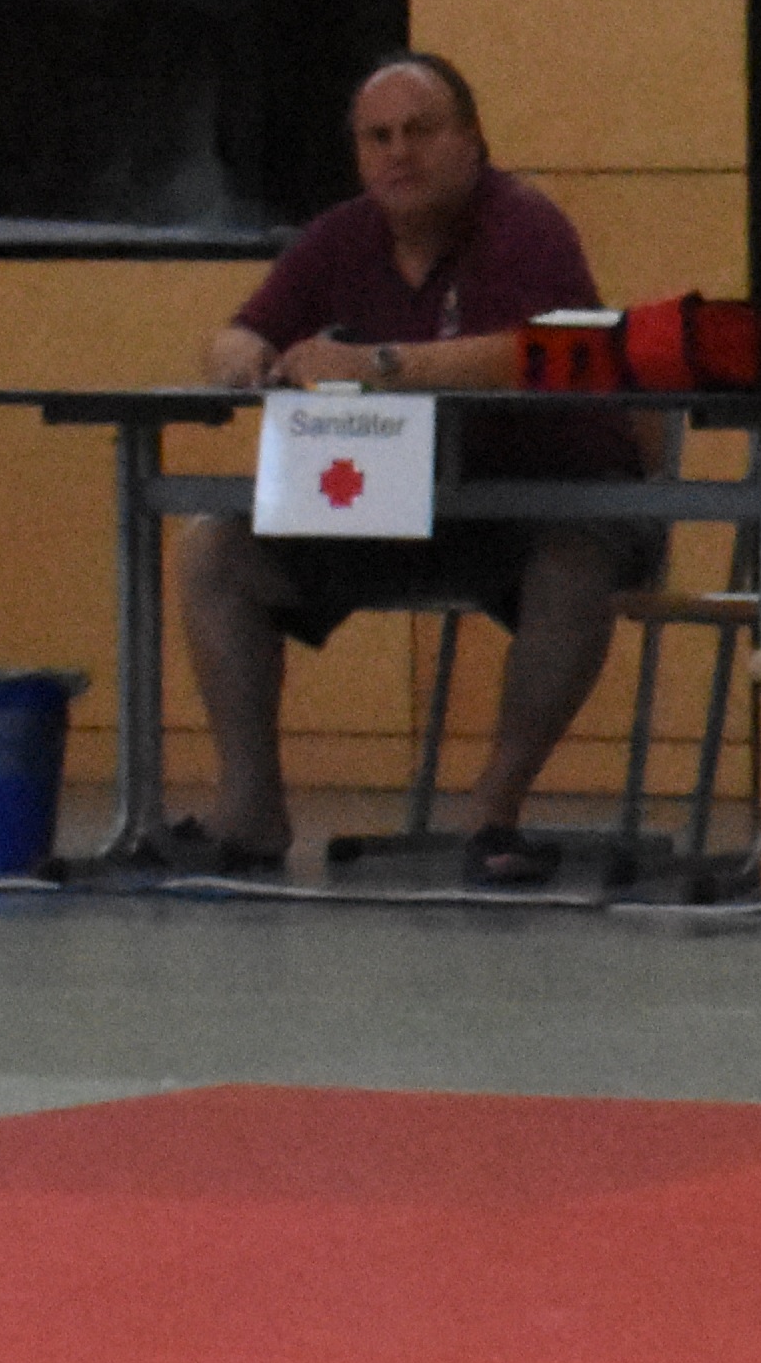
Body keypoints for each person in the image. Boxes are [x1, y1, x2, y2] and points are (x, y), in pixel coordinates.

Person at [178, 54, 653, 889]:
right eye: (378, 137)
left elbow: (527, 352)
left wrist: (378, 363)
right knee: (213, 546)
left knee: (575, 563)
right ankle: (250, 812)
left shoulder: (525, 225)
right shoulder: (340, 235)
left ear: (471, 140)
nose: (398, 152)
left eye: (420, 131)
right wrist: (245, 355)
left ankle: (493, 813)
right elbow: (238, 331)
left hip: (542, 503)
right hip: (393, 507)